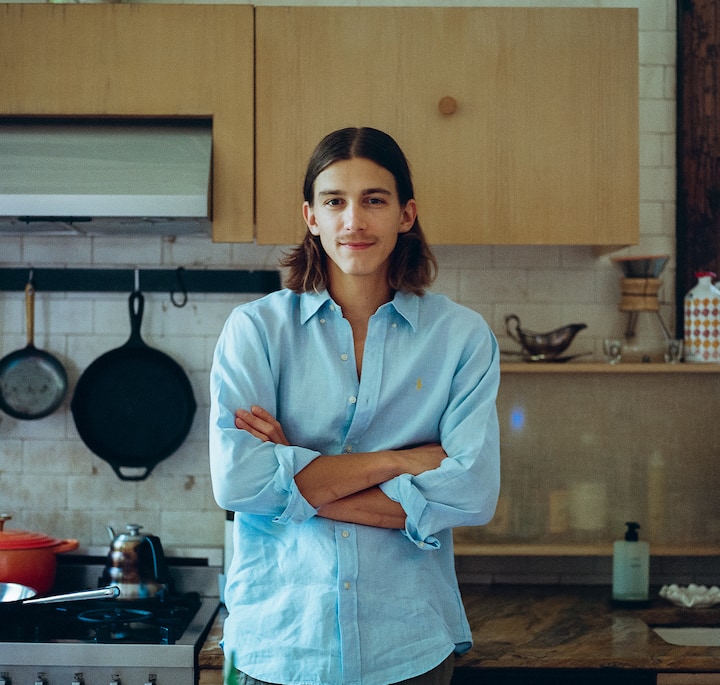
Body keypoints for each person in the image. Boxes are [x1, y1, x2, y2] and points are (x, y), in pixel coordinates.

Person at [210, 127, 500, 685]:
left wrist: (292, 473)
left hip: (409, 646)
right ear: (311, 217)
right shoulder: (255, 331)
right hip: (281, 645)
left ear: (406, 214)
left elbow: (471, 494)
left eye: (374, 200)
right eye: (334, 201)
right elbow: (238, 484)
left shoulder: (462, 338)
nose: (354, 221)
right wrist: (402, 461)